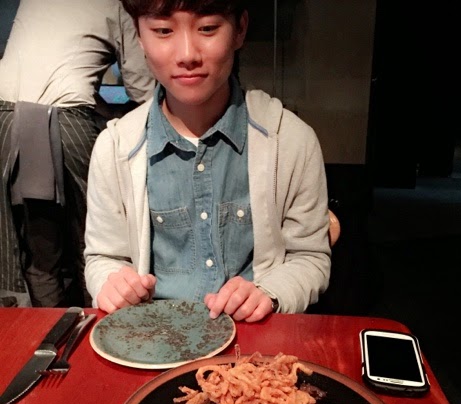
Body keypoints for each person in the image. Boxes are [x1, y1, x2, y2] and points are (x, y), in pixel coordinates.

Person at [84, 0, 332, 322]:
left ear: (239, 29)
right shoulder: (115, 148)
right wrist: (111, 283)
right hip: (152, 336)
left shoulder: (291, 141)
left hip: (253, 335)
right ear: (139, 36)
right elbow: (103, 258)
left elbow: (309, 257)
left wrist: (269, 292)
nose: (187, 54)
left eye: (208, 28)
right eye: (163, 31)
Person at [0, 0, 156, 307]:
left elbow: (54, 78)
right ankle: (95, 325)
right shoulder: (119, 5)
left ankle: (51, 329)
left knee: (41, 250)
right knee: (94, 244)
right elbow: (143, 89)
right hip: (64, 121)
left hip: (5, 117)